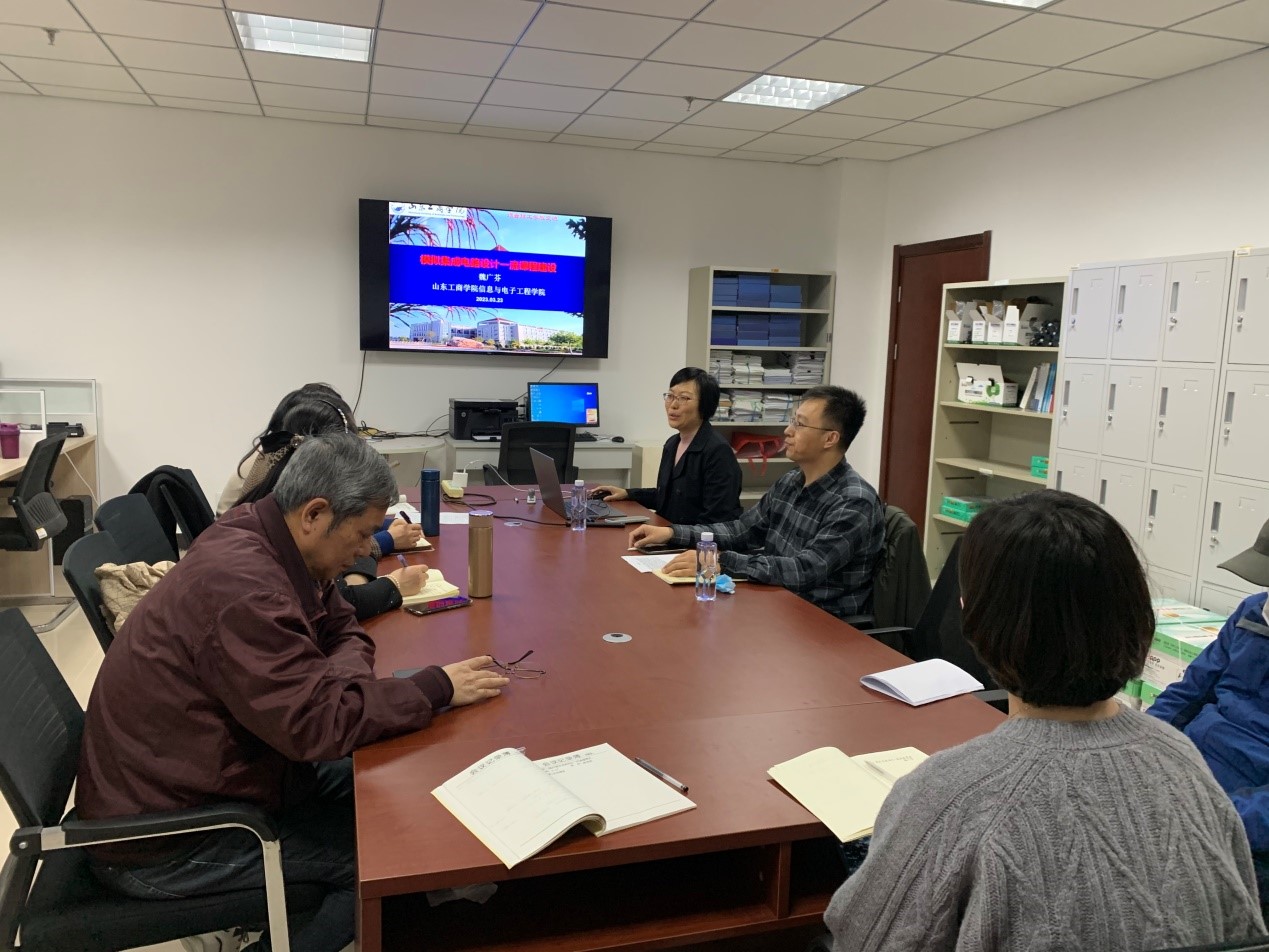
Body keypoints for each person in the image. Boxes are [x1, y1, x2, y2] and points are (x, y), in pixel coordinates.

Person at [77, 433, 509, 952]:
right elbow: (318, 728)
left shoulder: (270, 538)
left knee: (398, 789)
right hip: (167, 840)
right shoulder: (245, 587)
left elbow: (343, 628)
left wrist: (340, 689)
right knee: (384, 864)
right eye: (362, 533)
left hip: (227, 775)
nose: (369, 549)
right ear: (315, 514)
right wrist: (433, 686)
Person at [824, 491, 1264, 951]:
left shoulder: (944, 794)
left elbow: (864, 940)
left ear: (973, 617)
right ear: (1135, 615)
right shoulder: (1184, 760)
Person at [629, 385, 883, 620]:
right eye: (792, 420)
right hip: (774, 604)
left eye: (800, 424)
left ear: (830, 439)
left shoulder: (853, 501)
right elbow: (742, 531)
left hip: (821, 623)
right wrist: (672, 533)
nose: (788, 431)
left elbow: (804, 570)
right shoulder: (791, 481)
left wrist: (720, 562)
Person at [1149, 517, 1269, 902]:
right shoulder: (1252, 613)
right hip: (1191, 764)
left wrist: (1218, 817)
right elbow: (1191, 689)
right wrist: (1139, 741)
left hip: (1243, 809)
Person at [233, 395, 426, 620]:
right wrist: (392, 581)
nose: (364, 549)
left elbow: (335, 618)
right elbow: (343, 604)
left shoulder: (288, 508)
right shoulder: (260, 586)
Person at [591, 367, 741, 524]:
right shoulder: (672, 443)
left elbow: (718, 520)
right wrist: (626, 493)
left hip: (693, 538)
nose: (673, 405)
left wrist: (671, 534)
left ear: (705, 405)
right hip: (668, 532)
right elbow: (667, 497)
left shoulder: (718, 451)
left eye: (684, 398)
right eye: (670, 396)